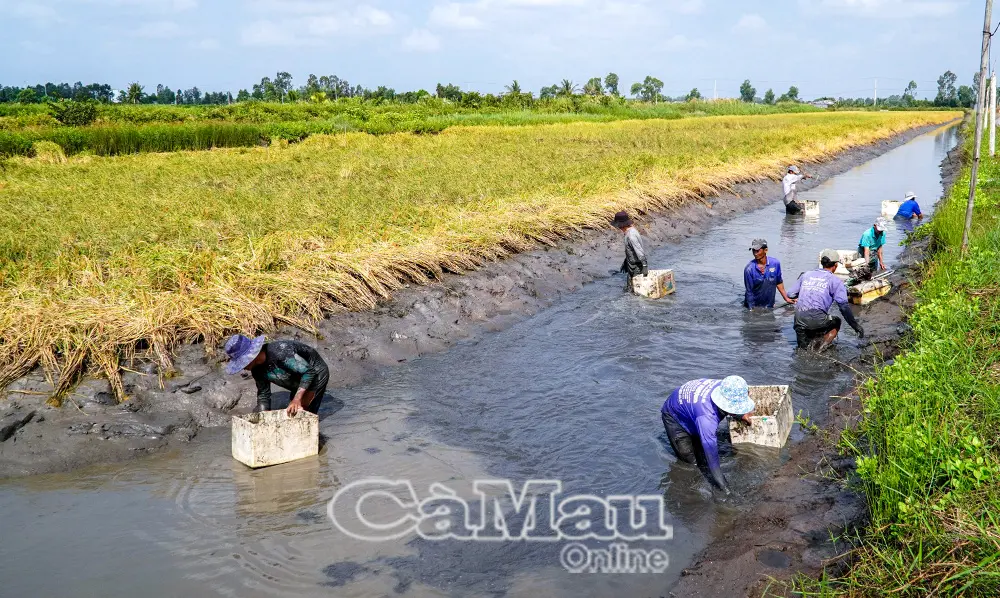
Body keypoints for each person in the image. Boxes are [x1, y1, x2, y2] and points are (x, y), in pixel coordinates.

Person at [660, 376, 756, 494]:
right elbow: (712, 458)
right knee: (691, 461)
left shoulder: (727, 386)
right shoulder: (707, 417)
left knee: (701, 452)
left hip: (693, 407)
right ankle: (690, 492)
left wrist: (741, 414)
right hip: (674, 415)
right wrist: (724, 487)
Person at [224, 334, 330, 415]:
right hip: (296, 378)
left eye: (242, 363)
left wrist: (297, 399)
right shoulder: (256, 370)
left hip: (315, 373)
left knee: (304, 413)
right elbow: (263, 395)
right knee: (292, 413)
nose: (243, 367)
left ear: (251, 357)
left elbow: (309, 372)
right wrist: (263, 416)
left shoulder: (281, 352)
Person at [786, 249, 865, 351]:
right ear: (836, 265)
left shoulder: (806, 275)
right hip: (817, 318)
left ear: (822, 263)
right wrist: (855, 326)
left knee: (802, 350)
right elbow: (844, 306)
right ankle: (820, 349)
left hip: (799, 319)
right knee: (837, 321)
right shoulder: (835, 281)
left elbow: (790, 294)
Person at [743, 238, 796, 309]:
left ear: (765, 250)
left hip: (769, 305)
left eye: (757, 251)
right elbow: (749, 292)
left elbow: (779, 282)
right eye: (753, 250)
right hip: (755, 306)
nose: (755, 253)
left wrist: (786, 298)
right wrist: (751, 310)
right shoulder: (749, 269)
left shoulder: (775, 264)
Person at [612, 210, 648, 291]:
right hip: (631, 264)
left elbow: (639, 251)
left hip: (637, 266)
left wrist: (644, 265)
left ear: (621, 225)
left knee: (637, 289)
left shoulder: (631, 236)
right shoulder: (630, 232)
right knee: (630, 287)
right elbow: (631, 249)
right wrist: (626, 261)